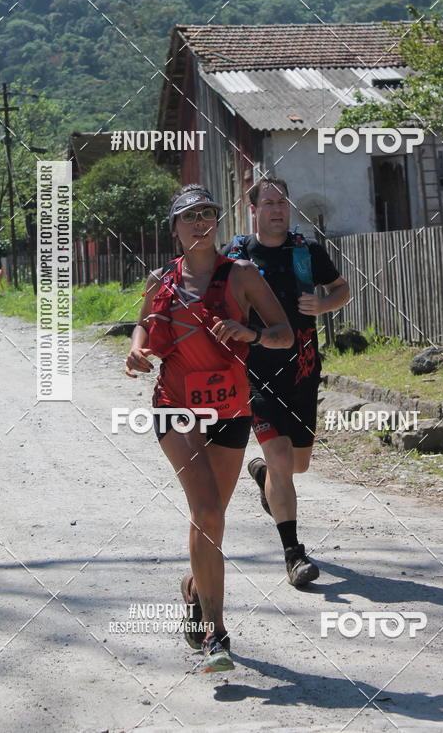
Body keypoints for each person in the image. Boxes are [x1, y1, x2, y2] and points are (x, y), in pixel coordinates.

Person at [125, 184, 292, 673]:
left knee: (211, 519)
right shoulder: (162, 279)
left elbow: (284, 336)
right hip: (176, 408)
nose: (201, 222)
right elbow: (141, 326)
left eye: (208, 214)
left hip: (231, 410)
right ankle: (216, 634)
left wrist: (251, 333)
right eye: (190, 216)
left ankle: (195, 589)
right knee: (206, 510)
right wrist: (136, 351)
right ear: (174, 227)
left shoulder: (241, 275)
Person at [222, 177, 350, 588]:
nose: (278, 209)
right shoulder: (237, 256)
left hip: (302, 370)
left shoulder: (306, 251)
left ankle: (263, 478)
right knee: (280, 459)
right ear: (253, 209)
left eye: (283, 202)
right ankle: (294, 556)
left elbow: (342, 288)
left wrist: (326, 303)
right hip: (254, 373)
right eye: (270, 202)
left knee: (296, 465)